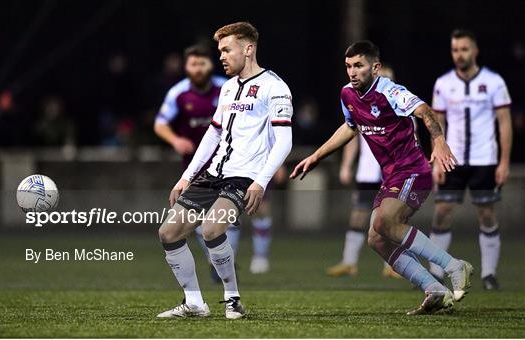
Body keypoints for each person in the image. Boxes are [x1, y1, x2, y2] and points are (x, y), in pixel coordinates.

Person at [291, 40, 473, 315]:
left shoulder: (390, 91)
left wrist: (439, 141)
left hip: (413, 170)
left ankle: (454, 266)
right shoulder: (347, 94)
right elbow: (350, 128)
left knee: (385, 221)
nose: (352, 72)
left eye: (359, 66)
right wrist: (316, 156)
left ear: (375, 67)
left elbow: (425, 111)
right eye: (348, 66)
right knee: (376, 239)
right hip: (392, 177)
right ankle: (434, 290)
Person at [156, 22, 293, 319]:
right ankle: (194, 303)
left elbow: (284, 140)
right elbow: (213, 135)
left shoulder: (275, 87)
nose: (221, 56)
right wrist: (187, 176)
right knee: (168, 232)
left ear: (248, 49)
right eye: (220, 50)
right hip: (214, 173)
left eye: (226, 49)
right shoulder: (228, 88)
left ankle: (233, 300)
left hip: (244, 177)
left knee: (212, 228)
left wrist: (261, 182)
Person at [430, 29, 512, 290]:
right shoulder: (443, 84)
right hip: (451, 160)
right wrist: (436, 162)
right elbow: (436, 123)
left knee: (487, 213)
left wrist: (504, 162)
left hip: (484, 159)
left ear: (475, 51)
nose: (459, 55)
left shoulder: (494, 82)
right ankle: (435, 273)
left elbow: (504, 123)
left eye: (464, 49)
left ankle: (489, 274)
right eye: (455, 50)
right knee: (442, 212)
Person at [153, 44, 241, 283]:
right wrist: (175, 139)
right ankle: (218, 259)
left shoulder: (227, 88)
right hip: (194, 165)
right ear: (186, 67)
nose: (198, 69)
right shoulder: (178, 93)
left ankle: (224, 263)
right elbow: (160, 124)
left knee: (225, 218)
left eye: (203, 63)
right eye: (194, 64)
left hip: (229, 163)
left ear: (210, 65)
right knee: (197, 221)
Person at [327, 65, 401, 279]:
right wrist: (346, 165)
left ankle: (393, 265)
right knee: (358, 216)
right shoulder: (362, 106)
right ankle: (349, 262)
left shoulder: (402, 107)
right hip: (368, 172)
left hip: (392, 174)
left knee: (391, 220)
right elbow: (352, 135)